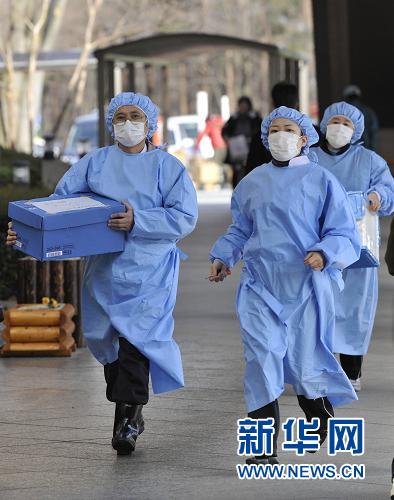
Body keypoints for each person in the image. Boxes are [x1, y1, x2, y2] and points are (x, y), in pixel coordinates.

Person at [6, 92, 198, 456]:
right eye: (121, 117)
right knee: (108, 346)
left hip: (149, 272)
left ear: (150, 124)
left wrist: (138, 220)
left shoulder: (168, 168)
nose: (128, 123)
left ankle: (126, 422)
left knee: (135, 344)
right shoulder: (93, 164)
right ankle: (131, 412)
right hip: (104, 271)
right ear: (112, 124)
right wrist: (25, 231)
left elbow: (185, 216)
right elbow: (60, 205)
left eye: (135, 116)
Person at [208, 106, 360, 465]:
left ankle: (320, 416)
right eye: (273, 130)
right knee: (261, 359)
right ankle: (262, 447)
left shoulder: (322, 180)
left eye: (288, 129)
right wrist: (223, 257)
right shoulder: (253, 182)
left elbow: (343, 231)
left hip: (306, 287)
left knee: (305, 363)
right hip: (261, 286)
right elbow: (241, 229)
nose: (280, 136)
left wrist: (324, 253)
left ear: (304, 138)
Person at [314, 101, 394, 391]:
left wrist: (377, 196)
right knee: (320, 308)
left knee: (355, 309)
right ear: (324, 125)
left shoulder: (370, 160)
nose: (340, 128)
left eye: (346, 124)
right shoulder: (310, 158)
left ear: (356, 130)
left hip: (358, 250)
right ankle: (320, 368)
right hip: (318, 248)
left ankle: (351, 373)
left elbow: (388, 189)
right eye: (335, 122)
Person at [245, 81, 321, 175]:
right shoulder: (314, 133)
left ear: (304, 140)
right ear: (297, 102)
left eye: (289, 130)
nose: (281, 135)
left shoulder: (259, 137)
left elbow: (250, 170)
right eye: (275, 131)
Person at [222, 96, 261, 188]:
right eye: (241, 105)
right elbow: (225, 131)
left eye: (245, 105)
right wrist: (229, 139)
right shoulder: (234, 118)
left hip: (251, 148)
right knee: (236, 172)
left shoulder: (255, 118)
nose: (243, 108)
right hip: (237, 149)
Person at [343, 85, 379, 151]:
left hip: (346, 151)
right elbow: (374, 132)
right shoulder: (368, 111)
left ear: (346, 97)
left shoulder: (340, 112)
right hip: (366, 149)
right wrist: (373, 151)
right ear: (358, 96)